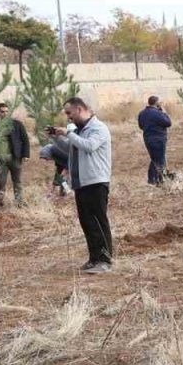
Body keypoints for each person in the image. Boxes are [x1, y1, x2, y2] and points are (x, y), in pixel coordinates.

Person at [50, 98, 114, 273]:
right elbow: (71, 148)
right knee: (87, 222)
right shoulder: (80, 130)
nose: (68, 117)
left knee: (98, 221)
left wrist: (69, 133)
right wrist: (57, 137)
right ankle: (94, 258)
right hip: (81, 183)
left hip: (96, 181)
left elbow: (89, 146)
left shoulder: (98, 128)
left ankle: (105, 260)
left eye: (69, 113)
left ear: (79, 109)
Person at [0, 103, 31, 207]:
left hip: (16, 157)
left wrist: (26, 154)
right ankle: (0, 201)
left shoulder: (17, 124)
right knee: (1, 181)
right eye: (2, 111)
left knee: (17, 181)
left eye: (6, 111)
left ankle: (19, 201)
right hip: (1, 158)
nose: (5, 113)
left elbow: (25, 140)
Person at [137, 96, 172, 185]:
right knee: (159, 160)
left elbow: (141, 126)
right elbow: (168, 123)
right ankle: (155, 180)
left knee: (154, 159)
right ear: (156, 103)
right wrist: (164, 113)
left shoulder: (142, 113)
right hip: (159, 139)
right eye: (160, 102)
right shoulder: (158, 113)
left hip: (147, 139)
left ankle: (156, 178)